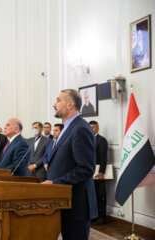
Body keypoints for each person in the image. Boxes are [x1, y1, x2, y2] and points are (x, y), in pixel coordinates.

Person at [42, 89, 97, 240]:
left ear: (70, 104)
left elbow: (86, 169)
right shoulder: (67, 128)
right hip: (64, 201)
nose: (54, 104)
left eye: (58, 100)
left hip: (76, 204)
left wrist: (55, 183)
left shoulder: (80, 128)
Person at [89, 120, 108, 225]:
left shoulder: (101, 140)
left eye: (93, 127)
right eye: (89, 127)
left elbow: (103, 158)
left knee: (101, 195)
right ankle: (94, 215)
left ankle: (102, 216)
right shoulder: (87, 140)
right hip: (89, 172)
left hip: (99, 173)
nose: (91, 129)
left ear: (97, 128)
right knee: (93, 195)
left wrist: (101, 172)